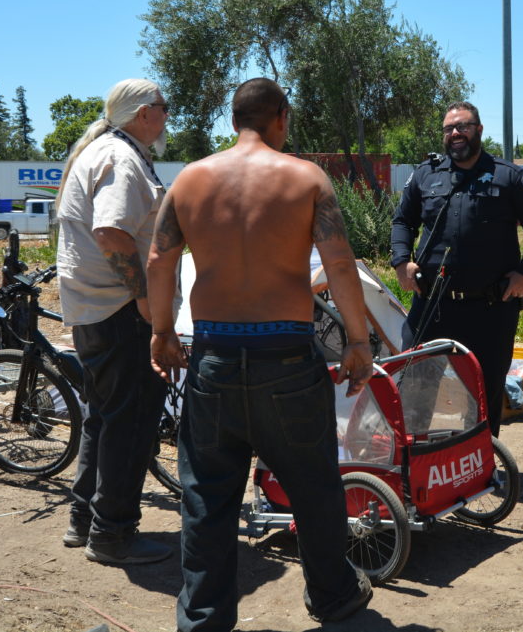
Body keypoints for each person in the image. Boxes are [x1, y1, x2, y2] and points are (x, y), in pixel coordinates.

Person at [147, 77, 375, 631]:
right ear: (282, 117)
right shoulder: (306, 178)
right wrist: (360, 340)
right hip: (287, 358)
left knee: (207, 498)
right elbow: (340, 265)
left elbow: (158, 261)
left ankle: (202, 619)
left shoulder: (190, 181)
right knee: (315, 488)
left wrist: (161, 331)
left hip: (215, 355)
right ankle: (334, 598)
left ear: (232, 121)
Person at [54, 78, 173, 565]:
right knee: (132, 420)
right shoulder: (122, 159)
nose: (168, 117)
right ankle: (113, 535)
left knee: (104, 418)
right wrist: (145, 297)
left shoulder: (108, 151)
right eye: (164, 108)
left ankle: (85, 520)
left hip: (96, 311)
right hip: (119, 312)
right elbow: (111, 231)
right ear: (144, 113)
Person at [391, 102, 523, 436]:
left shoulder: (509, 176)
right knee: (415, 384)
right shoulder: (425, 174)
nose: (455, 134)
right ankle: (413, 463)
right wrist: (400, 260)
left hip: (489, 309)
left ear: (478, 130)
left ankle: (480, 463)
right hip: (431, 305)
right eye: (449, 128)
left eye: (462, 126)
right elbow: (402, 220)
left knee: (483, 390)